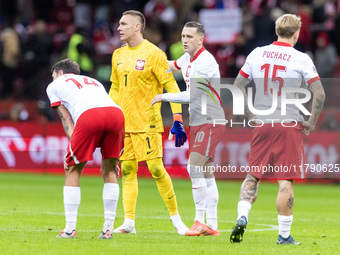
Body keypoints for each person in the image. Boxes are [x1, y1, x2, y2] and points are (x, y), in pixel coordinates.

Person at [229, 14, 325, 245]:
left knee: (253, 175)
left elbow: (237, 86)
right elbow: (320, 93)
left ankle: (243, 216)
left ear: (276, 31)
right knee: (285, 180)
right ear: (296, 34)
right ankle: (283, 236)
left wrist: (249, 113)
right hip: (288, 123)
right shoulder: (301, 58)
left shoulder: (257, 53)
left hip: (262, 122)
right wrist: (311, 122)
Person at [108, 10, 188, 235]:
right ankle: (129, 222)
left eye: (123, 24)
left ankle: (177, 220)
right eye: (119, 23)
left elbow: (172, 88)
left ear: (137, 27)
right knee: (127, 168)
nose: (119, 28)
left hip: (147, 121)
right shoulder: (117, 55)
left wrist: (177, 120)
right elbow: (115, 86)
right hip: (124, 123)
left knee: (155, 168)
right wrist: (109, 111)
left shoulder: (154, 54)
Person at [151, 21, 225, 236]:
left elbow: (194, 95)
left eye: (190, 36)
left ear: (201, 39)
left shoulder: (206, 62)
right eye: (183, 35)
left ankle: (199, 221)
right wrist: (147, 60)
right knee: (206, 173)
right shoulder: (187, 59)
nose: (184, 40)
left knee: (193, 168)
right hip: (199, 120)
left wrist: (162, 96)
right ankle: (212, 225)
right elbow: (168, 65)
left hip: (210, 120)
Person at [46, 58, 125, 239]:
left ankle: (69, 230)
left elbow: (67, 120)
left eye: (53, 76)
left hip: (90, 115)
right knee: (110, 170)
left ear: (59, 73)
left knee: (72, 170)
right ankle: (107, 229)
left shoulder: (55, 85)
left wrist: (73, 149)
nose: (52, 79)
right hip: (116, 114)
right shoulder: (94, 81)